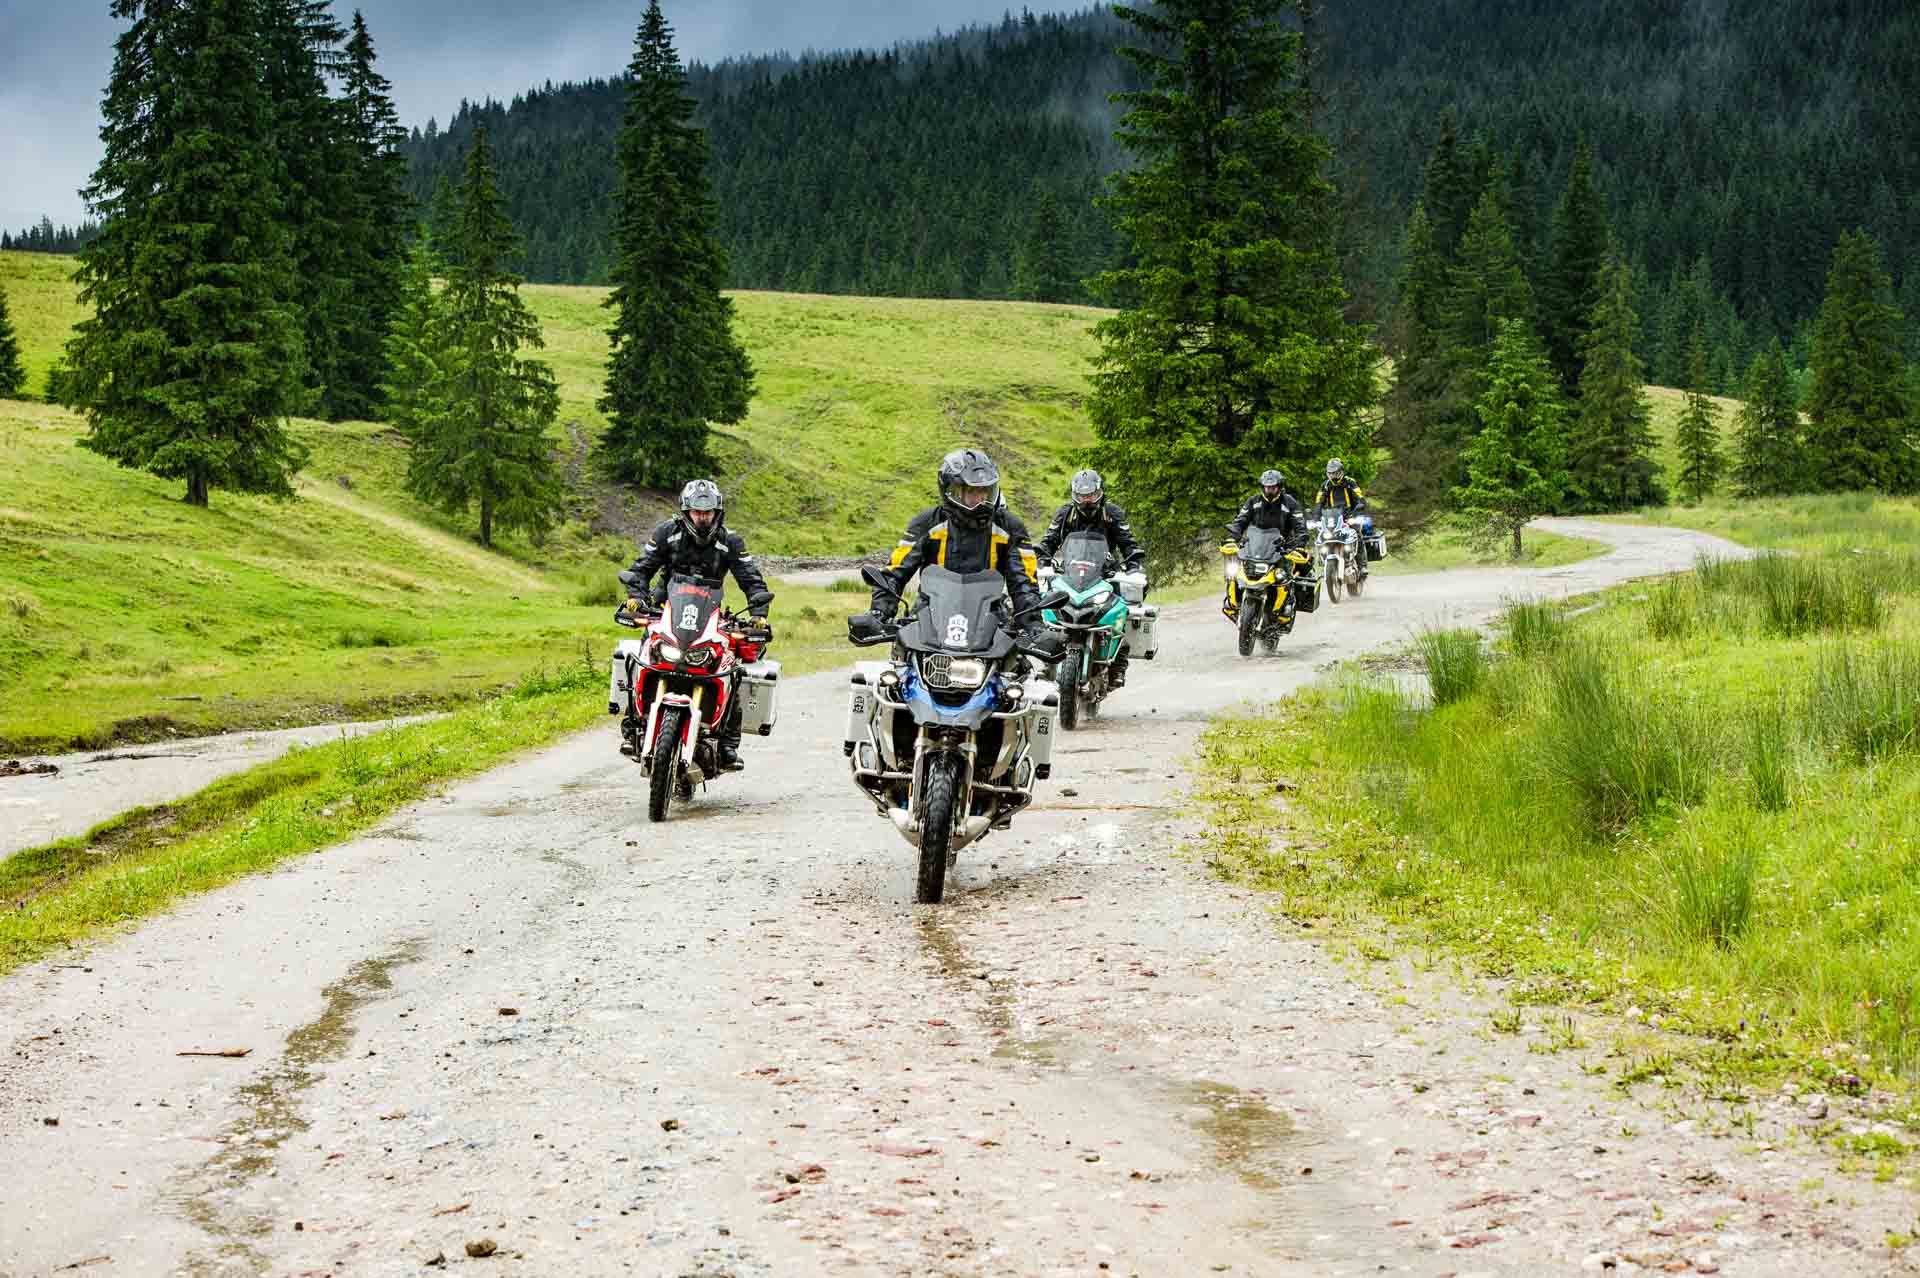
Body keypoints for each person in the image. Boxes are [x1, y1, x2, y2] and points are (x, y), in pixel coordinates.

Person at [621, 479, 773, 770]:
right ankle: (632, 725)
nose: (702, 518)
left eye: (708, 513)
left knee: (731, 667)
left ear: (717, 513)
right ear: (686, 512)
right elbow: (641, 569)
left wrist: (759, 613)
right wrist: (636, 598)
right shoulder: (667, 533)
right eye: (697, 512)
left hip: (710, 613)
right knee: (642, 656)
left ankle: (728, 744)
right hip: (667, 606)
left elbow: (751, 579)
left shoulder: (731, 541)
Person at [866, 448, 1049, 644]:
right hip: (929, 618)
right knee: (901, 666)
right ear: (950, 491)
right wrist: (879, 611)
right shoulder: (927, 524)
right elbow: (895, 571)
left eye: (985, 492)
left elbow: (1024, 583)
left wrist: (1033, 624)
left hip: (991, 621)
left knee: (1013, 669)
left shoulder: (1009, 527)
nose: (980, 500)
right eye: (971, 491)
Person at [1036, 468, 1145, 686]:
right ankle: (1048, 663)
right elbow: (1047, 543)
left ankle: (1118, 666)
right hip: (1070, 575)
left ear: (1100, 493)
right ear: (1074, 495)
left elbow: (1128, 544)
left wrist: (1134, 567)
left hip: (1105, 574)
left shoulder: (1112, 513)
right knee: (1049, 611)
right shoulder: (1065, 514)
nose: (1087, 500)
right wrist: (1042, 562)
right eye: (1082, 496)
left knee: (1122, 611)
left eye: (1091, 496)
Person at [1222, 468, 1310, 628]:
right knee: (1233, 572)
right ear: (1262, 486)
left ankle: (1285, 610)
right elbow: (1240, 521)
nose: (1270, 490)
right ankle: (1232, 603)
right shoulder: (1253, 501)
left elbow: (1300, 526)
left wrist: (1299, 545)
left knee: (1287, 576)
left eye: (1273, 487)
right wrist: (1231, 538)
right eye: (1267, 487)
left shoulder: (1289, 503)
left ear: (1279, 486)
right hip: (1254, 548)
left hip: (1281, 549)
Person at [1313, 458, 1371, 579]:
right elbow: (1319, 502)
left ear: (1341, 472)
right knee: (1322, 536)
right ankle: (1323, 560)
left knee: (1357, 534)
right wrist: (1316, 518)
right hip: (1333, 518)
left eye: (1335, 473)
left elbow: (1360, 499)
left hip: (1350, 516)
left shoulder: (1350, 482)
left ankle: (1362, 565)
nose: (1333, 476)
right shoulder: (1325, 485)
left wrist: (1358, 510)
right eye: (1331, 473)